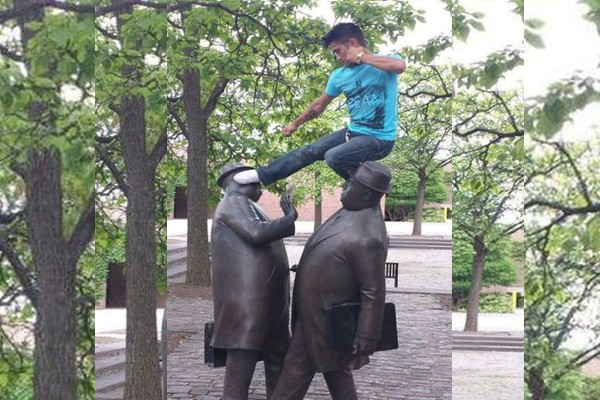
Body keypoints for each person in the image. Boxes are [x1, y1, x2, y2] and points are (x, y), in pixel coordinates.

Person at [270, 161, 391, 400]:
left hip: (329, 321)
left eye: (350, 184)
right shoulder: (351, 211)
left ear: (366, 194)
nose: (342, 186)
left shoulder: (369, 236)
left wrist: (367, 337)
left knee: (300, 371)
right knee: (335, 373)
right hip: (316, 316)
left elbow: (373, 291)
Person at [234, 22, 405, 186]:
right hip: (353, 133)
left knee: (333, 156)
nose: (338, 58)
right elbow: (318, 106)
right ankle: (262, 175)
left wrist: (362, 57)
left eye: (338, 51)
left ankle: (365, 186)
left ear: (352, 43)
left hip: (380, 140)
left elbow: (399, 66)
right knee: (311, 150)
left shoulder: (385, 62)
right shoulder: (339, 76)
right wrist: (295, 124)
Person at [210, 162, 298, 400]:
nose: (260, 189)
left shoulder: (249, 205)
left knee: (276, 357)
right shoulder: (232, 203)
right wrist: (289, 218)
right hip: (247, 305)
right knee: (242, 363)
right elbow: (256, 233)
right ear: (238, 180)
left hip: (266, 302)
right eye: (255, 183)